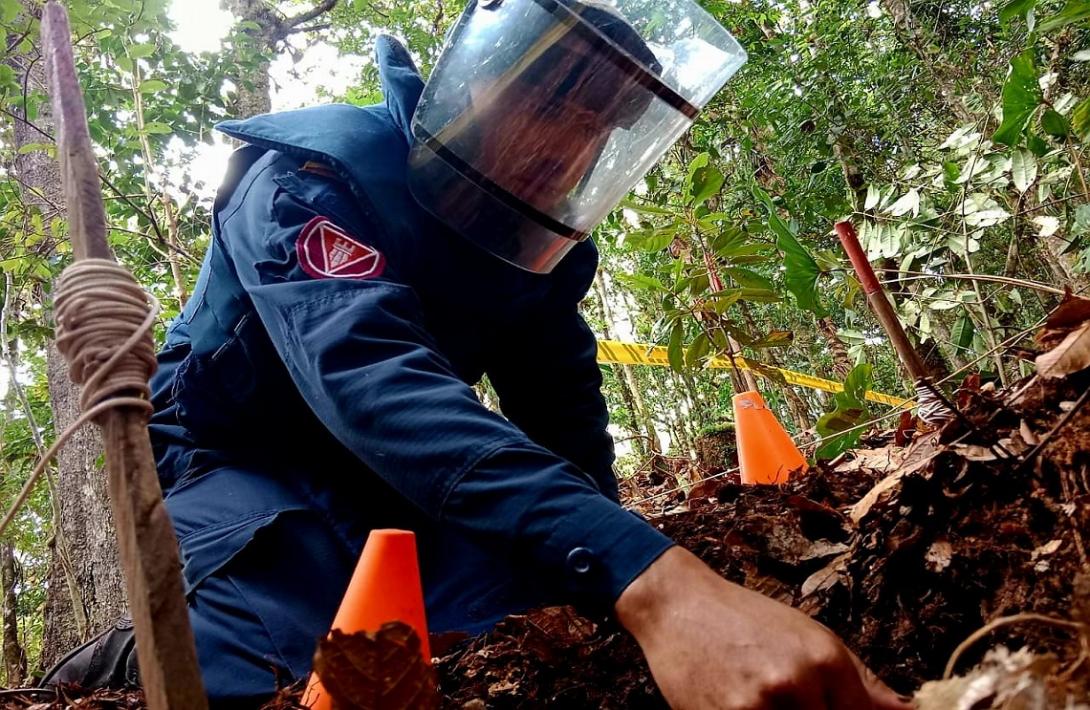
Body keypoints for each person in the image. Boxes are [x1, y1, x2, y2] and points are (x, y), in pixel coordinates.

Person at [47, 1, 911, 708]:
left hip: (390, 480)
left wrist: (608, 574)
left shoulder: (539, 243)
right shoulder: (315, 178)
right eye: (546, 99)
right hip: (227, 463)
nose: (563, 143)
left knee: (518, 625)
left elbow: (563, 412)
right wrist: (658, 584)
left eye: (593, 125)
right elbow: (376, 384)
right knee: (286, 663)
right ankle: (121, 652)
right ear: (476, 78)